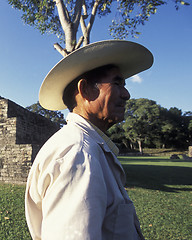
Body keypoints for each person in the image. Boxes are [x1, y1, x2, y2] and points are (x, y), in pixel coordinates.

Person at [25, 40, 153, 240]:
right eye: (117, 83)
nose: (126, 94)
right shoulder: (78, 154)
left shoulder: (85, 146)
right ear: (85, 90)